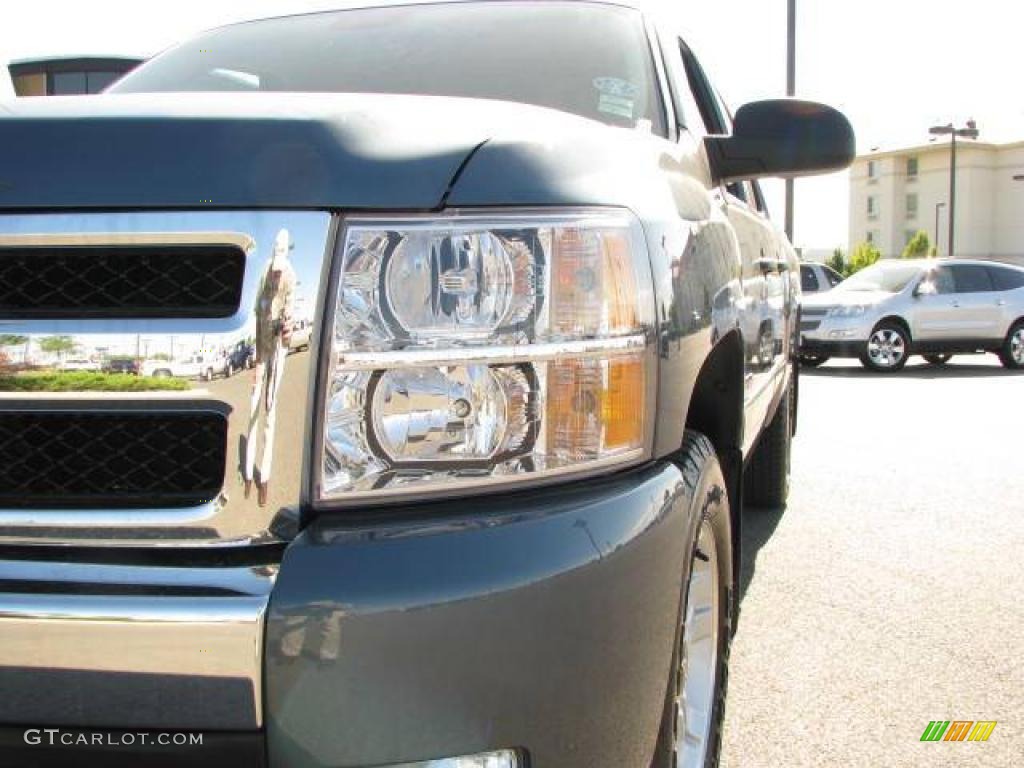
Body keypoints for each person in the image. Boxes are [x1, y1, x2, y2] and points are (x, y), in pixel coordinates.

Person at [242, 228, 296, 506]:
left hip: (279, 352)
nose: (276, 276)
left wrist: (286, 330)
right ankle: (248, 474)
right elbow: (256, 318)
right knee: (252, 410)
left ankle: (265, 478)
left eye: (279, 271)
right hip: (261, 349)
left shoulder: (291, 278)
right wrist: (256, 363)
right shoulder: (264, 275)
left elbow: (288, 327)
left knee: (270, 412)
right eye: (274, 271)